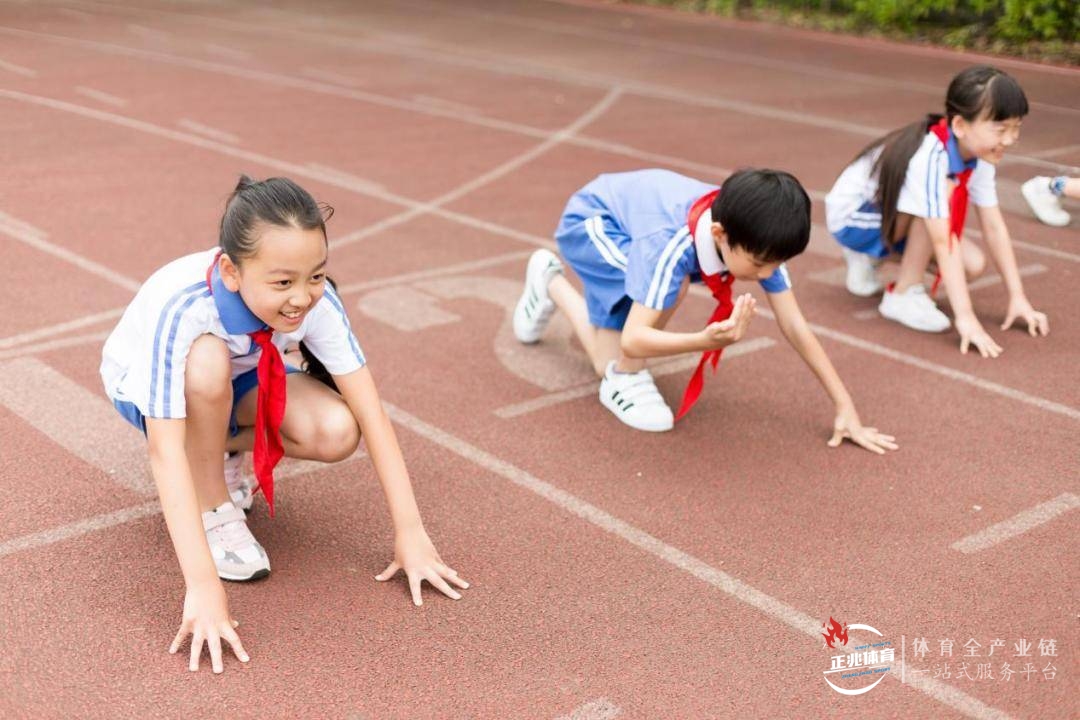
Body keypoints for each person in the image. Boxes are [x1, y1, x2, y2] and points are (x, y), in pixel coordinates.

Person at [100, 176, 467, 673]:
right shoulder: (185, 307)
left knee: (337, 430)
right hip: (153, 390)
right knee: (207, 364)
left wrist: (411, 533)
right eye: (282, 283)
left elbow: (370, 410)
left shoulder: (316, 301)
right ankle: (214, 505)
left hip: (245, 376)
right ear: (231, 272)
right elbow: (165, 453)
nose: (302, 297)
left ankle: (223, 451)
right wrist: (203, 589)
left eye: (316, 276)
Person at [512, 167, 896, 455]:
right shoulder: (672, 246)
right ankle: (625, 377)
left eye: (774, 265)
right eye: (760, 264)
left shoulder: (758, 235)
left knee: (606, 356)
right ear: (720, 236)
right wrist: (702, 340)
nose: (766, 274)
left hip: (635, 223)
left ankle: (547, 279)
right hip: (594, 224)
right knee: (651, 312)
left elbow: (794, 324)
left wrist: (845, 406)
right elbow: (634, 338)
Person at [826, 65, 1049, 357]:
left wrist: (1019, 298)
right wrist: (966, 318)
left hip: (889, 217)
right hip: (852, 218)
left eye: (1016, 127)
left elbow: (994, 227)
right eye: (1000, 129)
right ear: (960, 126)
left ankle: (869, 256)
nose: (1009, 139)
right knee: (936, 206)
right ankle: (901, 294)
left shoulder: (980, 154)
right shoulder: (931, 159)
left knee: (972, 265)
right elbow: (943, 241)